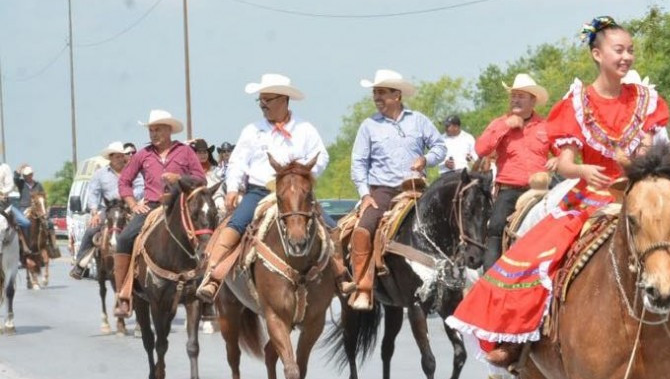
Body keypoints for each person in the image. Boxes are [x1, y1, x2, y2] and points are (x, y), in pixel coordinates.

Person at [446, 16, 670, 379]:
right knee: (540, 254)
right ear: (597, 54)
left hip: (640, 193)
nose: (627, 56)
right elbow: (566, 164)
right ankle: (516, 341)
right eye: (619, 50)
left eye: (631, 50)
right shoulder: (576, 103)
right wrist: (584, 173)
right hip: (591, 194)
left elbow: (650, 154)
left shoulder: (647, 101)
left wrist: (650, 171)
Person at [196, 73, 354, 302]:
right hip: (259, 192)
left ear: (284, 99)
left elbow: (322, 157)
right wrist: (232, 188)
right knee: (236, 223)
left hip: (297, 195)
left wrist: (304, 178)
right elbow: (238, 162)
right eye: (261, 100)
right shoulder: (252, 130)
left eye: (268, 99)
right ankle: (213, 276)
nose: (263, 104)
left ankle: (342, 275)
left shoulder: (305, 128)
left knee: (332, 229)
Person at [346, 69, 448, 311]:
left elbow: (440, 147)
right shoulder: (368, 125)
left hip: (415, 188)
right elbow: (358, 162)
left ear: (397, 95)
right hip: (383, 190)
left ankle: (452, 279)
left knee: (448, 223)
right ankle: (362, 286)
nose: (377, 98)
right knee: (362, 229)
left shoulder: (419, 121)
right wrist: (365, 194)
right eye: (375, 93)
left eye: (382, 93)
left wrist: (426, 159)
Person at [113, 109, 204, 317]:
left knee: (205, 234)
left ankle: (208, 288)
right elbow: (124, 181)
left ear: (169, 130)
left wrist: (179, 180)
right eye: (151, 130)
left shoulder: (185, 152)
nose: (153, 134)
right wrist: (133, 204)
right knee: (124, 239)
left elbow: (201, 179)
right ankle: (123, 295)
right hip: (153, 207)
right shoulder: (142, 155)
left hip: (181, 207)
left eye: (158, 130)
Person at [474, 72, 550, 271]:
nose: (515, 99)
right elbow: (481, 149)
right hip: (510, 189)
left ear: (533, 100)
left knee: (561, 221)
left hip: (542, 189)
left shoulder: (545, 126)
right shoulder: (500, 123)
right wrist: (505, 127)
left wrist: (558, 159)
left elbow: (563, 152)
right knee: (496, 227)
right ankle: (489, 279)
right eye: (513, 95)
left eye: (521, 96)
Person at [70, 141, 131, 279]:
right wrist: (94, 212)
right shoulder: (100, 174)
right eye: (117, 156)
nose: (120, 159)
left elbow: (139, 187)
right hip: (108, 208)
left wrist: (132, 199)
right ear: (110, 157)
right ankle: (80, 264)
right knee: (92, 229)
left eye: (122, 156)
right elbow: (93, 193)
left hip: (129, 206)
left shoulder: (132, 171)